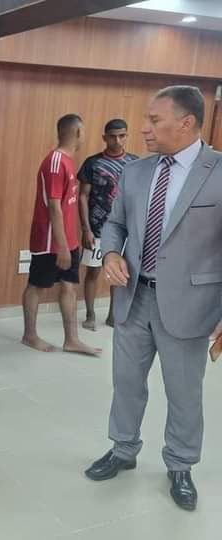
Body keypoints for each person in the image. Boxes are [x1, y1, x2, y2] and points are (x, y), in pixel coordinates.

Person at [85, 86, 222, 512]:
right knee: (126, 382)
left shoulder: (218, 171)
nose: (143, 128)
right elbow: (115, 224)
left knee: (184, 392)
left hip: (190, 305)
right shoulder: (136, 171)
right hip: (133, 298)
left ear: (186, 122)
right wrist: (110, 253)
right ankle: (123, 448)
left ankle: (180, 465)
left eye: (154, 120)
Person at [22, 114, 101, 356]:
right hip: (50, 241)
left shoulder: (68, 161)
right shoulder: (55, 161)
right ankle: (29, 335)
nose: (84, 136)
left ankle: (72, 340)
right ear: (77, 132)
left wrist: (70, 242)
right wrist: (62, 246)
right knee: (37, 285)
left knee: (69, 286)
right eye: (84, 132)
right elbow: (54, 207)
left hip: (69, 239)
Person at [78, 119, 138, 331]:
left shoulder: (135, 164)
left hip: (125, 230)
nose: (117, 140)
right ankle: (90, 314)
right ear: (105, 138)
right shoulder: (92, 163)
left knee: (119, 273)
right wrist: (86, 229)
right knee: (93, 272)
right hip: (97, 229)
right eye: (112, 136)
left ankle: (113, 315)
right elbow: (83, 196)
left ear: (127, 136)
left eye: (122, 136)